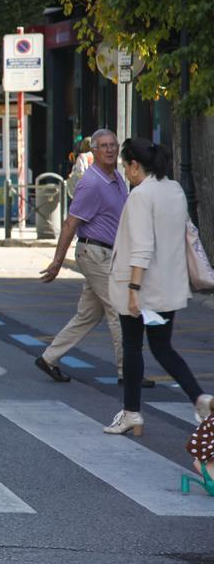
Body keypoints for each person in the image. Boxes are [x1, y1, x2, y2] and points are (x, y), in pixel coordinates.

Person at [101, 139, 213, 436]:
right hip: (169, 286)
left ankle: (131, 413)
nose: (125, 172)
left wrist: (134, 289)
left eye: (125, 166)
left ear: (135, 166)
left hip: (141, 287)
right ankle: (199, 397)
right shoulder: (174, 189)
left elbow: (141, 245)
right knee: (162, 347)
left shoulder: (141, 195)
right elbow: (187, 233)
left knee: (132, 348)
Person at [36, 129, 151, 387]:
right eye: (104, 146)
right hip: (95, 253)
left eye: (113, 145)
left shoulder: (117, 178)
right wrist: (57, 262)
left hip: (110, 253)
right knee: (119, 309)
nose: (110, 150)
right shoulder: (92, 183)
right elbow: (70, 224)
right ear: (94, 151)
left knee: (87, 315)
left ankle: (48, 358)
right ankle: (128, 372)